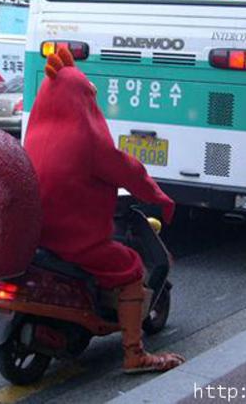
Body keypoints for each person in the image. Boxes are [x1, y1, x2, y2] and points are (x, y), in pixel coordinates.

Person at [24, 48, 186, 373]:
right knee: (130, 267)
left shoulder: (34, 135)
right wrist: (162, 200)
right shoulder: (88, 141)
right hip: (77, 241)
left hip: (39, 238)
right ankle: (134, 354)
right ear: (82, 100)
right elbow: (131, 173)